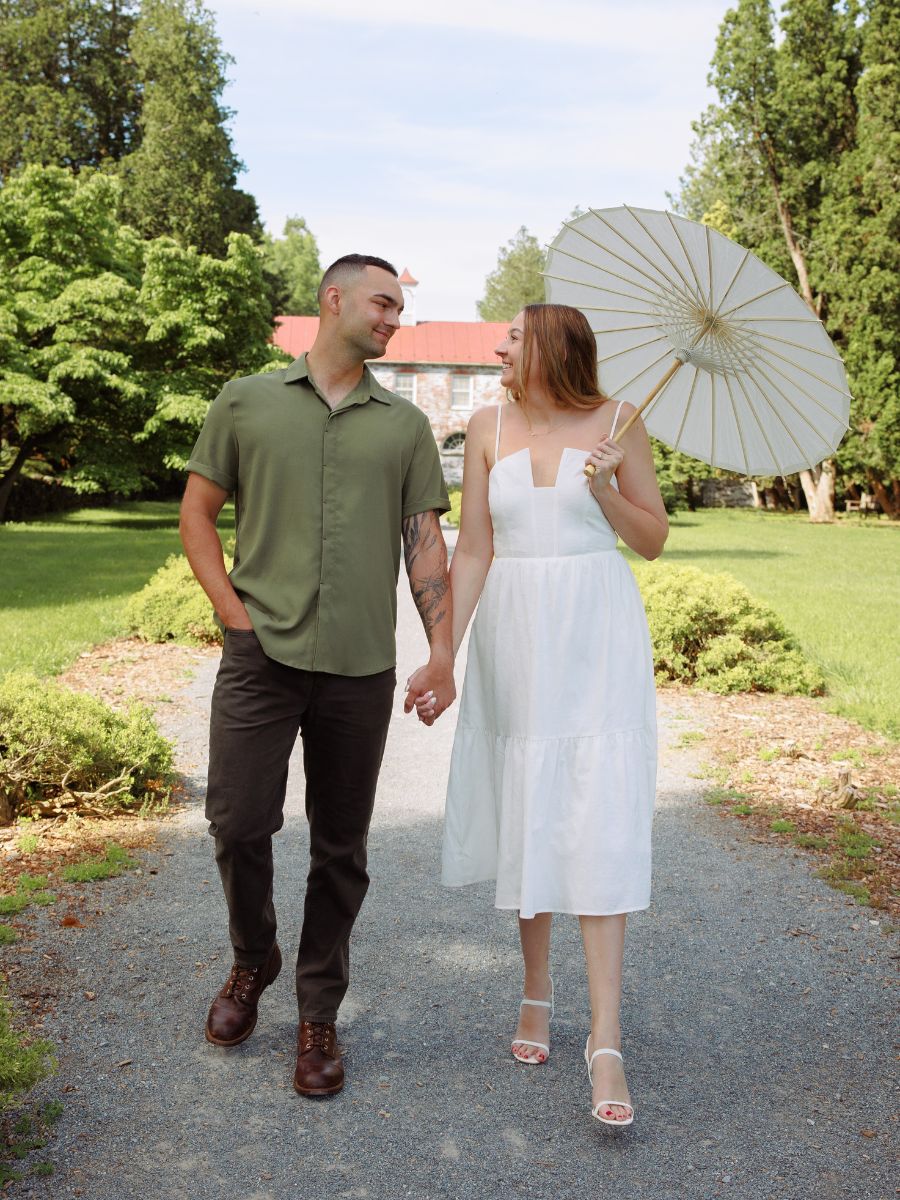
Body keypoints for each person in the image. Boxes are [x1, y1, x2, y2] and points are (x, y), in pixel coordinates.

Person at [180, 254, 455, 1098]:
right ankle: (250, 958)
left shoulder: (403, 426)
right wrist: (232, 611)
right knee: (236, 819)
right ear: (331, 301)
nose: (393, 319)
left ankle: (317, 1012)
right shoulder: (247, 399)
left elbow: (424, 542)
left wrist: (442, 650)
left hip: (359, 670)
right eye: (383, 302)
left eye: (399, 308)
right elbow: (197, 511)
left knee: (342, 847)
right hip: (260, 658)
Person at [414, 303, 667, 1127]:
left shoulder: (623, 421)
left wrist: (604, 488)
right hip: (517, 631)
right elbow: (476, 547)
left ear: (553, 347)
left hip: (595, 627)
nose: (499, 346)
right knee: (531, 802)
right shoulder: (487, 425)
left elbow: (653, 538)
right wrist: (446, 651)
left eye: (514, 336)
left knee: (594, 813)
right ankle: (534, 989)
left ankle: (606, 1036)